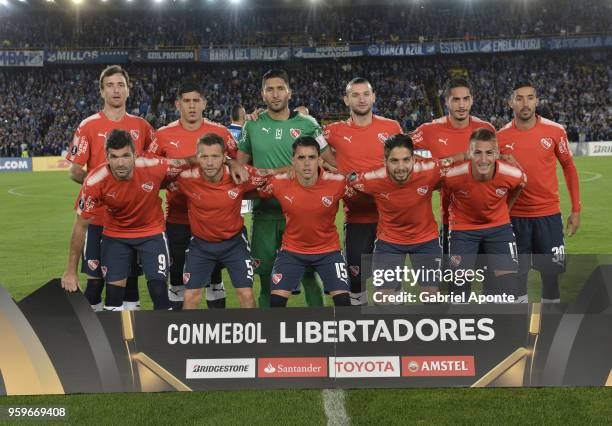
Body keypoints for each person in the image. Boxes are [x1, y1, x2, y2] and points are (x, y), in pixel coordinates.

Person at [237, 69, 336, 307]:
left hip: (301, 214)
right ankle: (267, 334)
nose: (275, 94)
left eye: (280, 88)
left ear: (289, 92)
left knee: (309, 275)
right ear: (262, 95)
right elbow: (239, 169)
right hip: (265, 214)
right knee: (265, 278)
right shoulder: (251, 126)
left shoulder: (309, 124)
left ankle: (319, 335)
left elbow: (331, 163)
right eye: (269, 89)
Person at [61, 130, 191, 310]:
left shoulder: (154, 165)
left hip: (151, 233)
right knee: (113, 296)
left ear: (135, 155)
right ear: (106, 156)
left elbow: (186, 162)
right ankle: (115, 338)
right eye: (114, 157)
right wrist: (70, 271)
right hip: (116, 235)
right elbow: (80, 226)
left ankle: (162, 337)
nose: (120, 163)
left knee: (159, 292)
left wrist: (227, 162)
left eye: (125, 156)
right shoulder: (94, 181)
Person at [65, 65, 155, 311]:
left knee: (130, 283)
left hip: (132, 221)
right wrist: (105, 190)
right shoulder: (88, 126)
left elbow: (156, 163)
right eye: (110, 85)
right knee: (94, 284)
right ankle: (95, 344)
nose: (116, 90)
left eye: (121, 85)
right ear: (101, 92)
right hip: (97, 220)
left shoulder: (142, 127)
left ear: (128, 90)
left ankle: (127, 344)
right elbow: (74, 170)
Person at [149, 81, 238, 309]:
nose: (191, 106)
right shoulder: (162, 135)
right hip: (179, 219)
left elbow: (239, 163)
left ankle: (215, 333)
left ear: (204, 104)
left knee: (214, 279)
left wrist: (231, 162)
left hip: (214, 221)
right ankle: (179, 332)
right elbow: (150, 171)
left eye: (196, 101)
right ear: (178, 104)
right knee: (177, 276)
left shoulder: (221, 132)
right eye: (186, 101)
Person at [497, 81, 581, 303]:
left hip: (549, 217)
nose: (525, 103)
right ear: (510, 102)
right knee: (517, 279)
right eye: (520, 98)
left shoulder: (555, 131)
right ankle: (519, 329)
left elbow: (569, 168)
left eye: (530, 97)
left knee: (551, 279)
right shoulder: (500, 138)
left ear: (537, 100)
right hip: (514, 218)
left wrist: (575, 209)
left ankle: (550, 327)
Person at [324, 77, 403, 305]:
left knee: (391, 285)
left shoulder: (391, 127)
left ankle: (393, 332)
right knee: (356, 284)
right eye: (355, 95)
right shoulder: (333, 131)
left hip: (389, 220)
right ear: (346, 99)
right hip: (357, 219)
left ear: (374, 96)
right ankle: (360, 335)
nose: (361, 99)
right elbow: (307, 145)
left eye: (365, 94)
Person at [174, 134, 270, 309]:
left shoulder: (239, 174)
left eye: (215, 156)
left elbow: (269, 178)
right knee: (190, 297)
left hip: (234, 243)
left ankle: (254, 334)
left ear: (224, 157)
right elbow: (157, 174)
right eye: (204, 157)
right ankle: (188, 335)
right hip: (201, 245)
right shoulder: (186, 177)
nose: (210, 163)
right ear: (197, 157)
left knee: (246, 294)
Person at [258, 137, 350, 307]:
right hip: (292, 251)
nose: (307, 163)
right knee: (276, 303)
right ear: (293, 161)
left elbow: (364, 191)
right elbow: (249, 185)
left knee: (344, 302)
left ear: (320, 160)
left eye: (312, 157)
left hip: (329, 251)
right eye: (301, 158)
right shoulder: (278, 183)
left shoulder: (338, 182)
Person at [349, 134, 442, 298]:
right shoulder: (372, 178)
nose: (401, 167)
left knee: (431, 296)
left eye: (406, 160)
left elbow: (457, 173)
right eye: (394, 161)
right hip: (389, 242)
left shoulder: (431, 169)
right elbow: (350, 179)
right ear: (385, 162)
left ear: (414, 159)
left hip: (426, 239)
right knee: (383, 298)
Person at [411, 77, 496, 257]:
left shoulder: (486, 128)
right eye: (456, 99)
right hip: (453, 222)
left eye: (466, 99)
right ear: (447, 101)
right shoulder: (430, 130)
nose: (461, 105)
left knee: (494, 282)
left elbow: (498, 166)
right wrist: (432, 171)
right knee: (456, 283)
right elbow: (399, 150)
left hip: (490, 220)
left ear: (472, 100)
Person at [443, 129, 526, 301]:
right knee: (458, 290)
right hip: (463, 229)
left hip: (498, 228)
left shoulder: (512, 174)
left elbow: (520, 184)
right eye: (477, 153)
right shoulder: (452, 175)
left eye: (489, 153)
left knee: (508, 289)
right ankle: (461, 326)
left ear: (497, 153)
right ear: (469, 153)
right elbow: (442, 190)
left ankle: (498, 325)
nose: (483, 160)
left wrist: (506, 208)